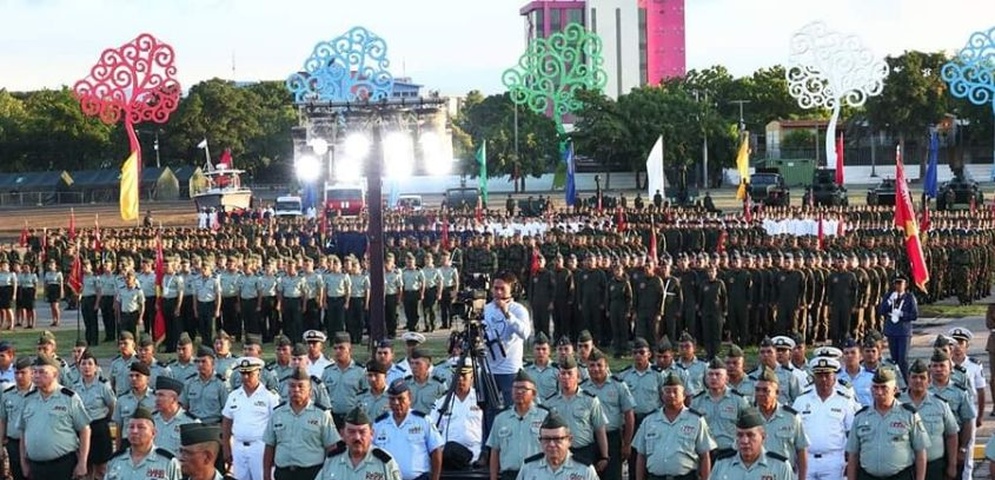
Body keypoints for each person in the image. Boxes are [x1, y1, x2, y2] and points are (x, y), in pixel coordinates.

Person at [845, 367, 928, 480]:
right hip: (868, 476)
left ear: (895, 390)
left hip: (900, 476)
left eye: (884, 388)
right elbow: (853, 455)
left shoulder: (909, 415)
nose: (879, 392)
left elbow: (920, 452)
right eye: (875, 387)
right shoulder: (860, 417)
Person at [18, 355, 91, 480]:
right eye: (35, 372)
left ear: (55, 374)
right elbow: (23, 433)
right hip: (36, 467)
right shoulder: (28, 399)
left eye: (42, 372)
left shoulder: (69, 398)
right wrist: (23, 463)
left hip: (63, 465)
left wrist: (82, 462)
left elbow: (85, 430)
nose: (36, 376)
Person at [632, 372, 715, 480]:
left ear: (684, 395)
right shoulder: (649, 420)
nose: (671, 395)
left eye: (675, 391)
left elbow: (705, 456)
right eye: (667, 391)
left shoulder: (696, 420)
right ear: (661, 395)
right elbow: (641, 456)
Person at [262, 368, 339, 480]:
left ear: (310, 390)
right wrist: (266, 475)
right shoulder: (277, 414)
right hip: (283, 473)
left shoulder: (322, 415)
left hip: (312, 473)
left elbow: (331, 448)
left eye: (301, 386)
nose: (296, 390)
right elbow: (269, 446)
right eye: (292, 386)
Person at [792, 356, 860, 480]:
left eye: (827, 375)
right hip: (807, 460)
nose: (823, 379)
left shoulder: (845, 401)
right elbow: (793, 433)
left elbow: (851, 434)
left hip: (833, 460)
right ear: (813, 377)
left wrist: (850, 462)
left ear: (834, 378)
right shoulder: (801, 401)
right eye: (819, 375)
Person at [222, 357, 281, 480]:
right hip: (238, 447)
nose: (245, 377)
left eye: (249, 373)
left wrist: (275, 451)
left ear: (258, 372)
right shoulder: (234, 395)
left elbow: (276, 425)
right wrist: (226, 447)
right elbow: (227, 422)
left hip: (260, 447)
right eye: (243, 373)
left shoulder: (269, 397)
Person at [900, 358, 959, 480]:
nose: (918, 381)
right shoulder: (896, 403)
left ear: (929, 380)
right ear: (908, 379)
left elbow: (951, 435)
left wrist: (952, 464)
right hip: (904, 467)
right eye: (914, 377)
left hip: (934, 466)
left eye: (922, 377)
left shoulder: (940, 404)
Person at [373, 379, 444, 480]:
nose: (396, 403)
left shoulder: (423, 421)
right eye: (392, 399)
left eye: (400, 398)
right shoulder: (379, 424)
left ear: (409, 397)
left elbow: (436, 450)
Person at [485, 370, 549, 480]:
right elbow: (495, 451)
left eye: (524, 388)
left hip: (537, 475)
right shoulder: (501, 418)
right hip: (509, 475)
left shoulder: (545, 416)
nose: (519, 392)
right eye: (516, 388)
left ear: (533, 393)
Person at [482, 271, 532, 409]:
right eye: (495, 288)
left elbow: (525, 333)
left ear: (512, 289)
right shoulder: (486, 309)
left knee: (511, 409)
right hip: (488, 368)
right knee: (488, 410)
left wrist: (507, 314)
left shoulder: (518, 310)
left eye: (502, 288)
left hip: (510, 369)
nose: (498, 292)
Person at [316, 407, 402, 480]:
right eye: (351, 432)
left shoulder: (385, 462)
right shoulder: (332, 461)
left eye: (362, 432)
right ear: (342, 434)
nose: (357, 437)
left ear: (371, 434)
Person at [710, 407, 795, 479]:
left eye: (750, 435)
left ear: (763, 437)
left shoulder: (780, 467)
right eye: (740, 435)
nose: (744, 441)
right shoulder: (722, 464)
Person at [429, 358, 483, 471]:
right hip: (448, 457)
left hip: (474, 457)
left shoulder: (481, 400)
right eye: (456, 376)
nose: (460, 379)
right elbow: (433, 429)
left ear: (472, 377)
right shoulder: (443, 401)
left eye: (464, 376)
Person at [105, 406, 183, 480]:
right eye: (131, 427)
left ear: (153, 433)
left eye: (141, 427)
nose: (134, 431)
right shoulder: (115, 460)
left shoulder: (168, 462)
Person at [516, 412, 598, 480]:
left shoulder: (584, 469)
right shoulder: (529, 468)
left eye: (557, 439)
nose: (551, 444)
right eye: (546, 439)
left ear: (569, 440)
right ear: (540, 441)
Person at [74, 350, 116, 479]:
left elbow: (112, 405)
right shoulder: (75, 386)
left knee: (101, 468)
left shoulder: (103, 385)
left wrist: (106, 419)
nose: (86, 367)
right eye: (83, 363)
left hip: (99, 428)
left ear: (96, 367)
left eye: (90, 364)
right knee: (86, 466)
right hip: (81, 429)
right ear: (79, 366)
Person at [877, 276, 917, 381]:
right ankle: (896, 381)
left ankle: (906, 380)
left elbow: (914, 315)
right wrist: (889, 301)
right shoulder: (889, 296)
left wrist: (902, 314)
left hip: (904, 332)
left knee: (903, 359)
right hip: (892, 331)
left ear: (905, 285)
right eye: (897, 283)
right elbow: (881, 311)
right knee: (894, 359)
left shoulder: (909, 297)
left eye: (901, 283)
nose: (898, 286)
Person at [0, 357, 34, 480]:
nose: (19, 376)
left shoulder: (38, 393)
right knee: (17, 474)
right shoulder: (7, 393)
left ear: (32, 373)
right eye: (16, 373)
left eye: (23, 373)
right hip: (13, 443)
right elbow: (3, 420)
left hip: (33, 444)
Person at [153, 376, 201, 457]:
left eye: (161, 395)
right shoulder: (150, 420)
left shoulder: (191, 423)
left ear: (174, 399)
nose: (156, 399)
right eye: (156, 395)